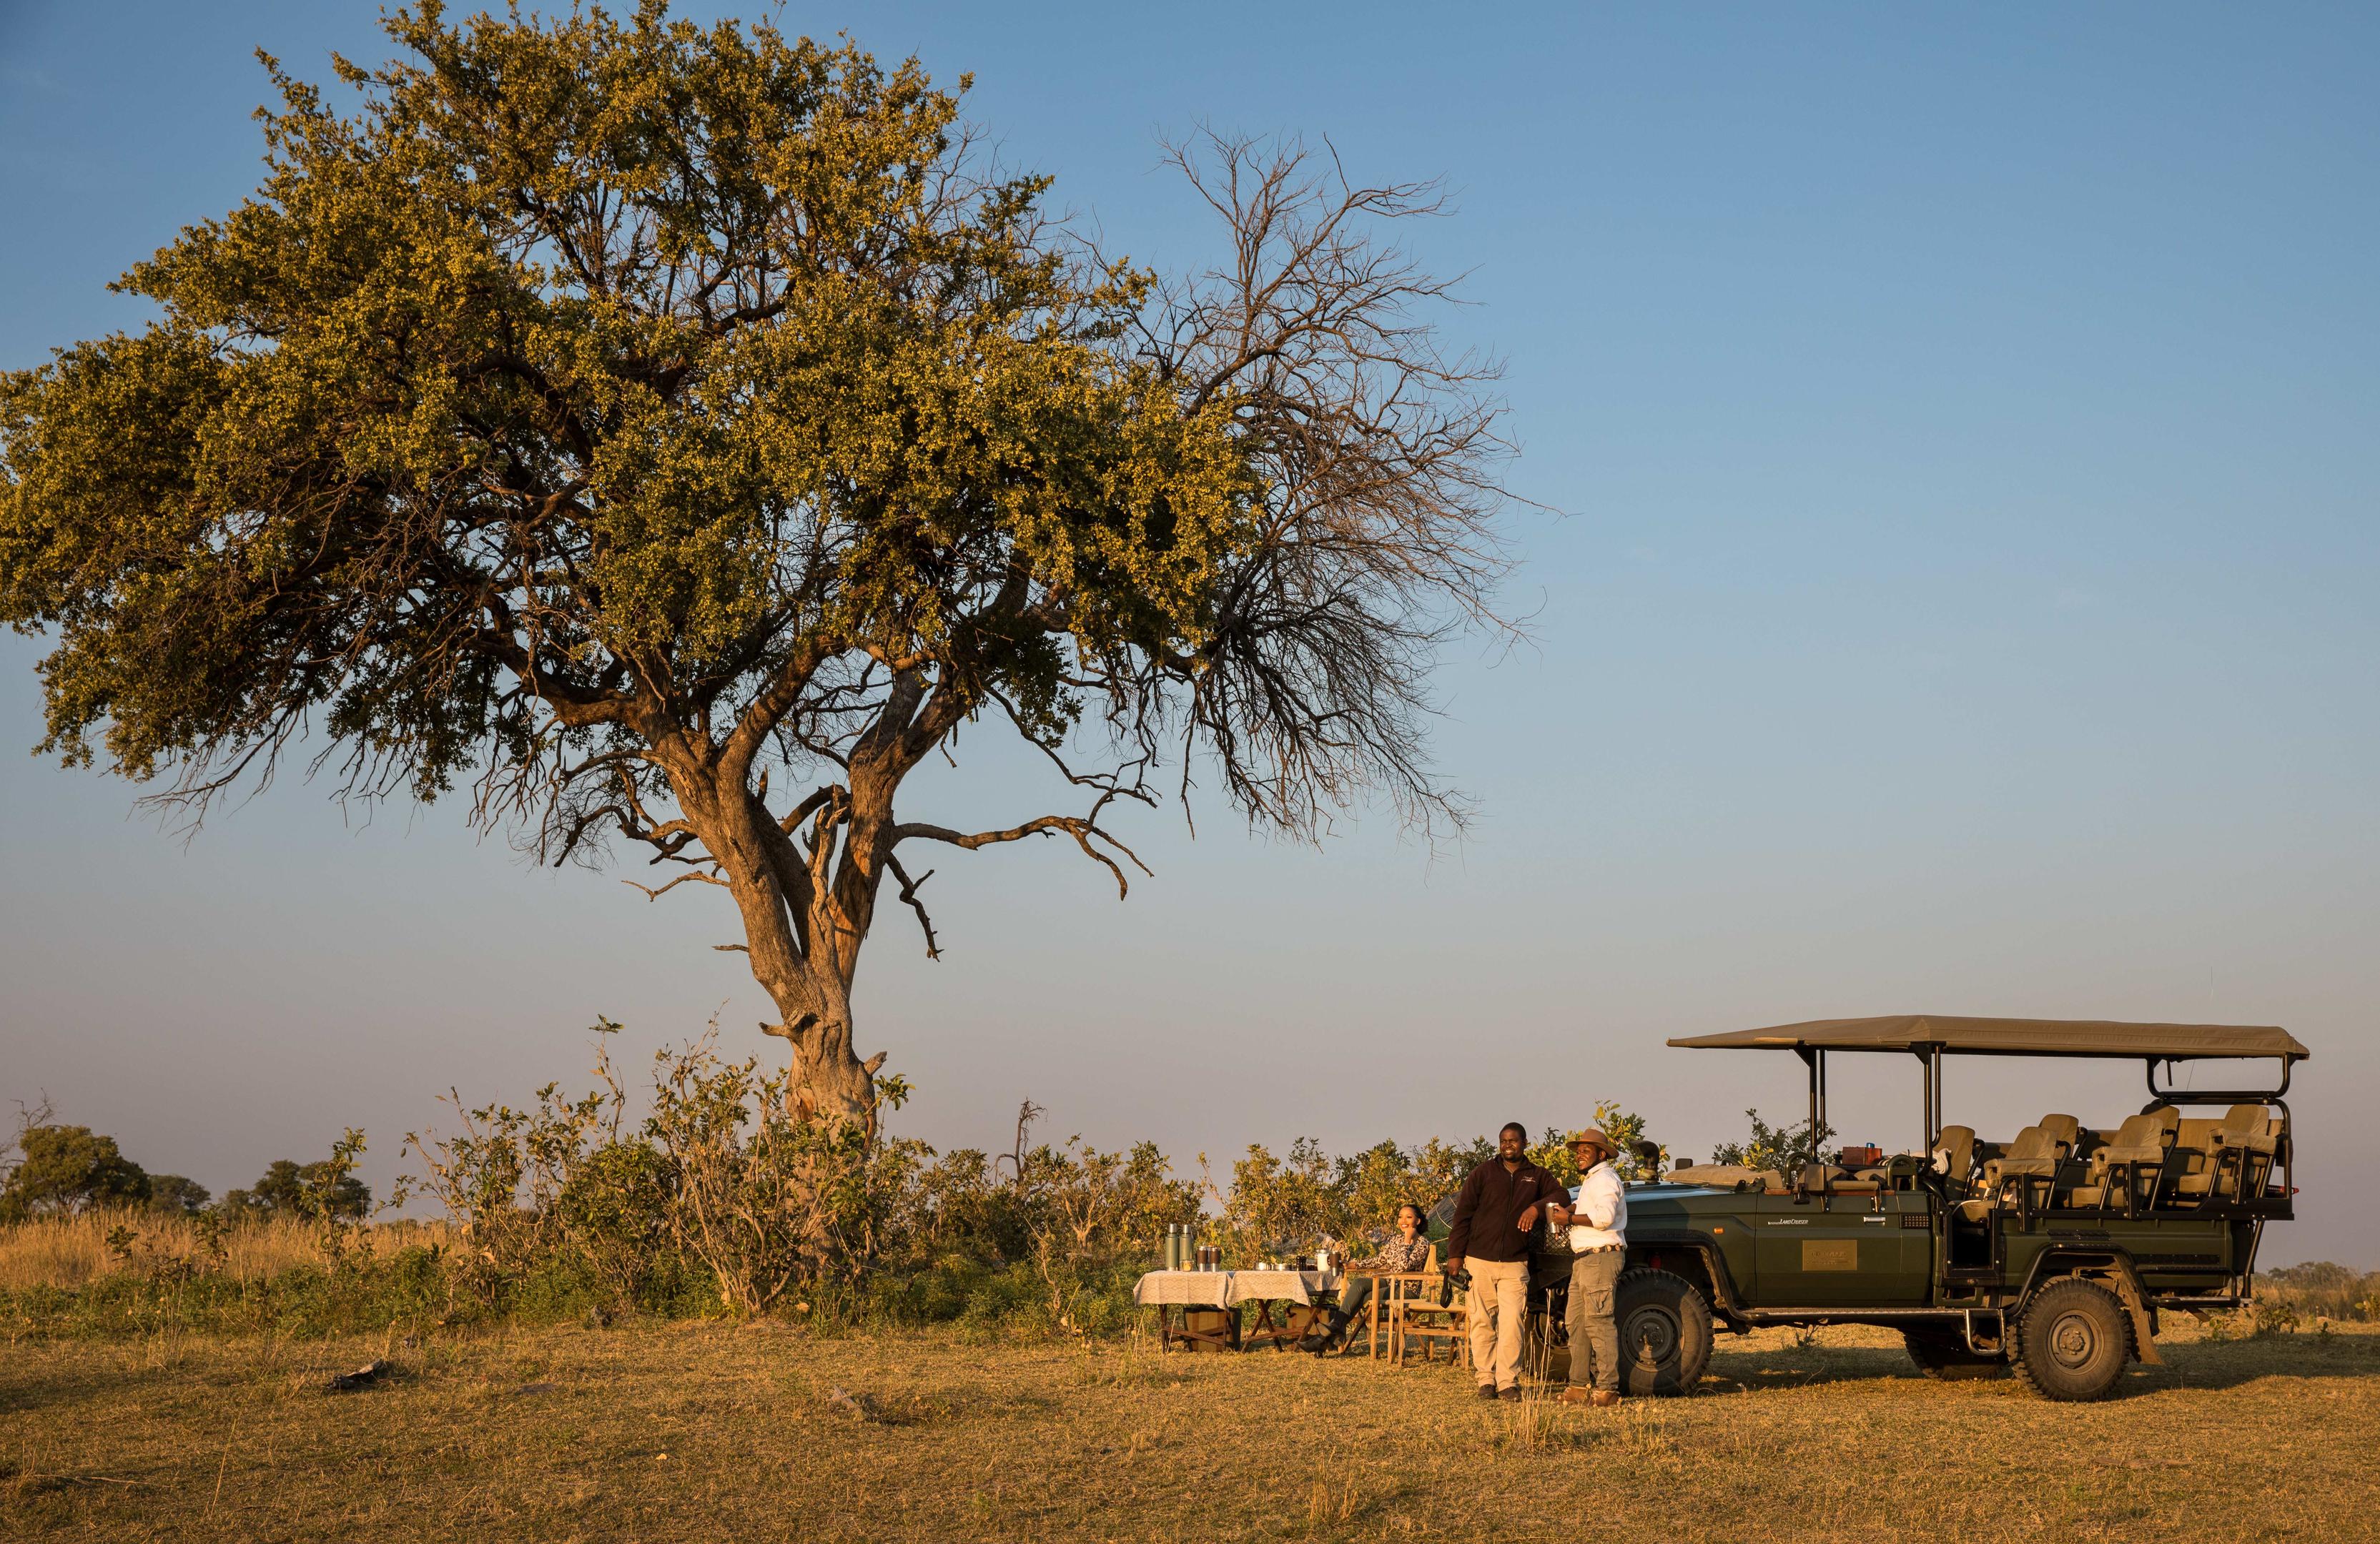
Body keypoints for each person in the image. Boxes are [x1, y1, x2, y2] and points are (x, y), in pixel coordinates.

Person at [1446, 1121, 1561, 1400]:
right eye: (1503, 1141)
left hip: (1515, 1263)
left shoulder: (1538, 1175)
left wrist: (1535, 1208)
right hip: (1478, 1260)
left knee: (1512, 1324)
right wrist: (1455, 1255)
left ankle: (1508, 1382)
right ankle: (1486, 1380)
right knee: (1482, 1321)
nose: (1508, 1145)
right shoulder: (1483, 1172)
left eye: (1513, 1141)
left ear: (1525, 1143)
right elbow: (1463, 1215)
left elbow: (1561, 1194)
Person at [1548, 1127, 1629, 1407]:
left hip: (1600, 1258)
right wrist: (1570, 1211)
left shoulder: (1605, 1179)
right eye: (1578, 1151)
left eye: (1586, 1150)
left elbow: (1604, 1217)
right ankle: (1578, 1386)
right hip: (1585, 1259)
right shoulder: (1594, 1180)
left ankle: (1608, 1390)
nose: (1579, 1155)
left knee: (1599, 1323)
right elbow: (1591, 1208)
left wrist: (1568, 1220)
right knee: (1576, 1322)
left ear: (1602, 1154)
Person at [1302, 1202, 1431, 1353]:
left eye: (1408, 1217)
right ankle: (1337, 1329)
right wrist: (1355, 1265)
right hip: (1389, 1283)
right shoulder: (1395, 1239)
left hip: (1406, 1290)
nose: (1403, 1221)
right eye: (1400, 1217)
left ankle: (1326, 1336)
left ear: (1418, 1221)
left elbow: (1403, 1267)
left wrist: (1407, 1241)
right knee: (1359, 1283)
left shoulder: (1422, 1243)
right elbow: (1380, 1260)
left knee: (1368, 1296)